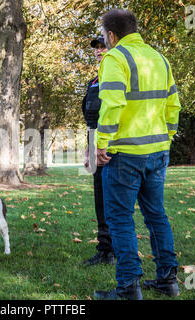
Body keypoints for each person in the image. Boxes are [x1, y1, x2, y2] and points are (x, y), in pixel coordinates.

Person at [93, 9, 181, 300]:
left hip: (125, 155)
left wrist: (101, 144)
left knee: (120, 220)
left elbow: (112, 105)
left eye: (104, 35)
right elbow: (173, 106)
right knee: (156, 216)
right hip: (157, 153)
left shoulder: (115, 58)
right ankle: (168, 280)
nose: (104, 40)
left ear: (112, 35)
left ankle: (129, 288)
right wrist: (166, 139)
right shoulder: (160, 59)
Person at [81, 36, 115, 266]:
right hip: (96, 146)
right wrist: (89, 146)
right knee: (101, 201)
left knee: (116, 204)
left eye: (103, 45)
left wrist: (104, 146)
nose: (99, 50)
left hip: (114, 147)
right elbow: (91, 117)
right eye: (96, 47)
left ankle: (119, 251)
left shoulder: (118, 76)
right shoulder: (94, 81)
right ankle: (105, 250)